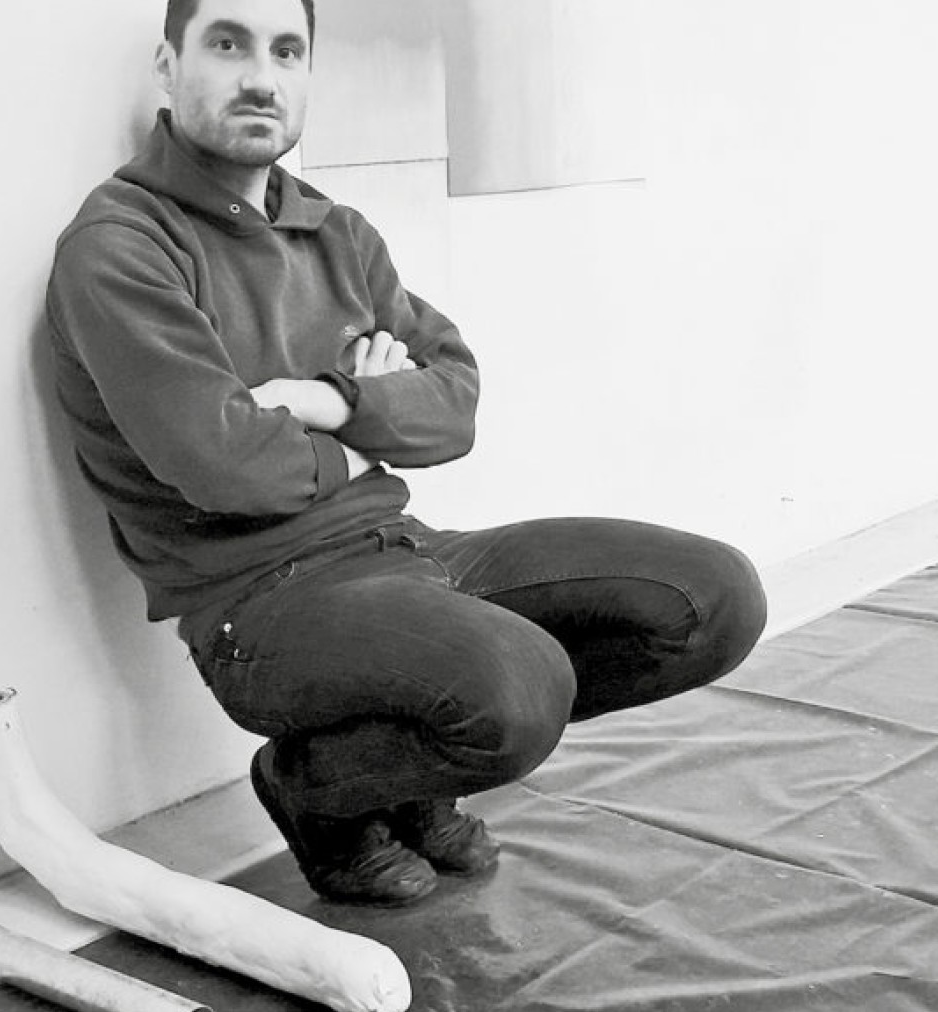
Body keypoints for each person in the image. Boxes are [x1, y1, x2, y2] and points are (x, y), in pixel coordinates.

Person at [45, 0, 767, 907]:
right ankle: (315, 792)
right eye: (227, 44)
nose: (261, 77)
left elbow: (455, 404)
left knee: (713, 599)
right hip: (257, 604)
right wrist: (367, 437)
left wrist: (329, 400)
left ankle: (411, 770)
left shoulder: (337, 233)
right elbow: (223, 464)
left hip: (404, 549)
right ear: (167, 64)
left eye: (287, 51)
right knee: (520, 686)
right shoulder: (120, 245)